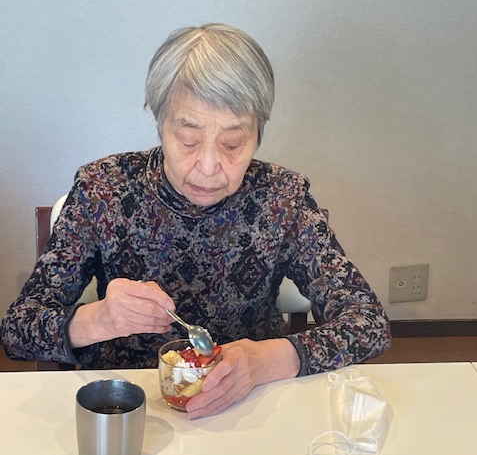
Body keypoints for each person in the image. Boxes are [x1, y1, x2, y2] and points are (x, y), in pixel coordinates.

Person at [1, 23, 391, 418]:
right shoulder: (103, 189)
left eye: (233, 143)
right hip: (127, 407)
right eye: (188, 140)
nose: (208, 167)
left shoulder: (282, 198)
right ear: (160, 125)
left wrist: (266, 360)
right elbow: (17, 331)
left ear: (258, 134)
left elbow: (369, 323)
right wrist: (97, 320)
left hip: (248, 406)